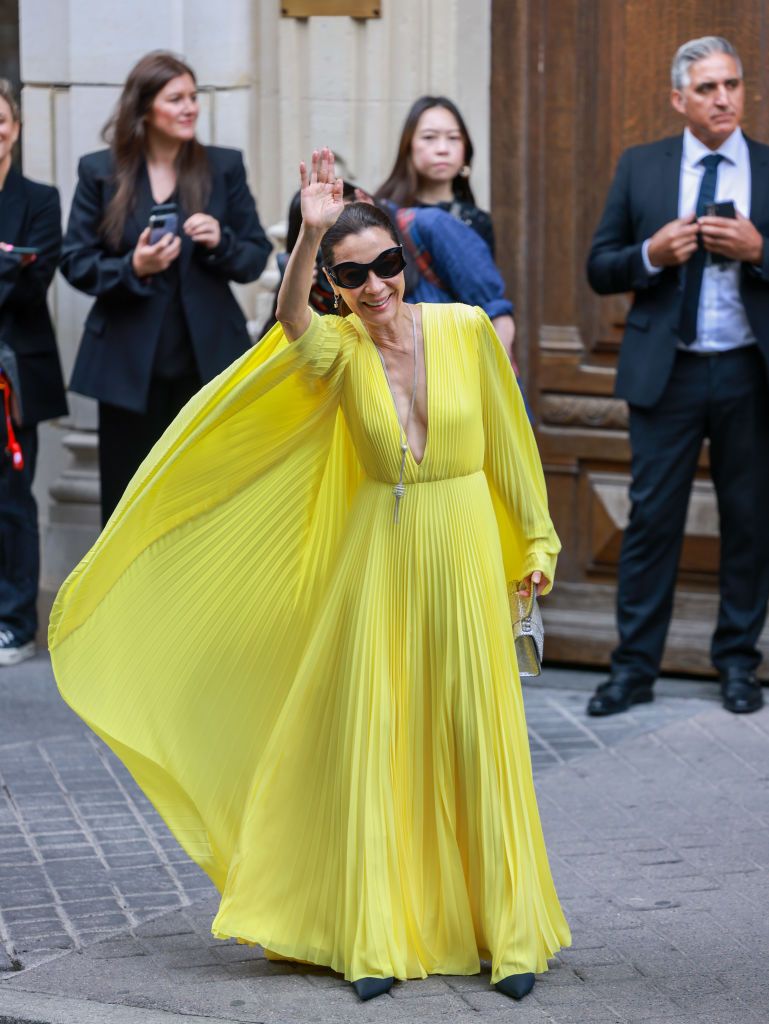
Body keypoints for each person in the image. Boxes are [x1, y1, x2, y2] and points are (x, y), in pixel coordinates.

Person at [49, 148, 570, 1002]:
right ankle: (370, 935)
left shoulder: (467, 332)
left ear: (406, 262)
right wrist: (308, 235)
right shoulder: (334, 352)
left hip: (465, 549)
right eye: (353, 274)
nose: (376, 286)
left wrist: (537, 549)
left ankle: (509, 934)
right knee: (377, 738)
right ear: (336, 282)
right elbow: (290, 319)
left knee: (476, 735)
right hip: (376, 561)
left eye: (388, 266)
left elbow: (511, 451)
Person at [586, 36, 769, 718]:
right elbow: (599, 265)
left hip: (748, 373)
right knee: (650, 523)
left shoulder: (766, 167)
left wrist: (759, 251)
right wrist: (649, 253)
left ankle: (737, 667)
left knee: (748, 523)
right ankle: (632, 670)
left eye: (732, 84)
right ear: (677, 100)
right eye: (706, 88)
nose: (723, 98)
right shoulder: (641, 167)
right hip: (667, 375)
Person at [60, 50, 271, 524]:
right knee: (127, 502)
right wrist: (133, 266)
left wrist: (221, 240)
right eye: (176, 98)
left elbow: (255, 257)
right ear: (144, 108)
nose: (189, 107)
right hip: (127, 368)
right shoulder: (100, 171)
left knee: (205, 501)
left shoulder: (223, 167)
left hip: (206, 363)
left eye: (194, 97)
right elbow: (75, 262)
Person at [0, 79, 66, 666]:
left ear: (15, 128)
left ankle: (16, 624)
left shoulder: (41, 199)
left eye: (0, 119)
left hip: (15, 375)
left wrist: (14, 267)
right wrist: (7, 261)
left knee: (12, 497)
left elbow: (34, 280)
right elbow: (14, 271)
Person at [376, 97, 516, 363]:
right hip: (400, 351)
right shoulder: (383, 213)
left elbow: (481, 291)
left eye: (453, 138)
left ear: (466, 149)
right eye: (429, 137)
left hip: (459, 352)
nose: (442, 148)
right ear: (408, 147)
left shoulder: (476, 220)